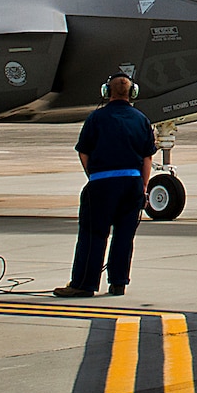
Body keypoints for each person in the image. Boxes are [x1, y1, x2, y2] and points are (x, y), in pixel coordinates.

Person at [55, 73, 157, 298]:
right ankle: (118, 282)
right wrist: (143, 186)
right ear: (133, 93)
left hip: (102, 183)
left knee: (94, 234)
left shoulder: (96, 118)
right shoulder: (141, 119)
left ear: (106, 91)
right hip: (132, 183)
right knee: (124, 236)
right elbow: (147, 158)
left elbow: (83, 151)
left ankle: (85, 284)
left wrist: (93, 174)